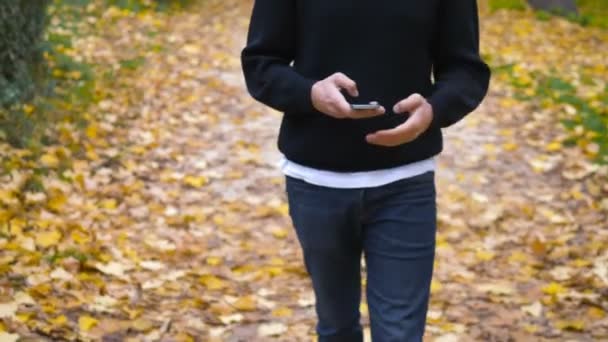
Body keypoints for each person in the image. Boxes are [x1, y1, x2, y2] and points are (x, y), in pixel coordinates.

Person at [240, 1, 491, 341]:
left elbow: (466, 69)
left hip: (406, 182)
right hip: (316, 182)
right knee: (337, 327)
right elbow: (260, 64)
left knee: (400, 333)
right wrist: (311, 93)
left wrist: (433, 110)